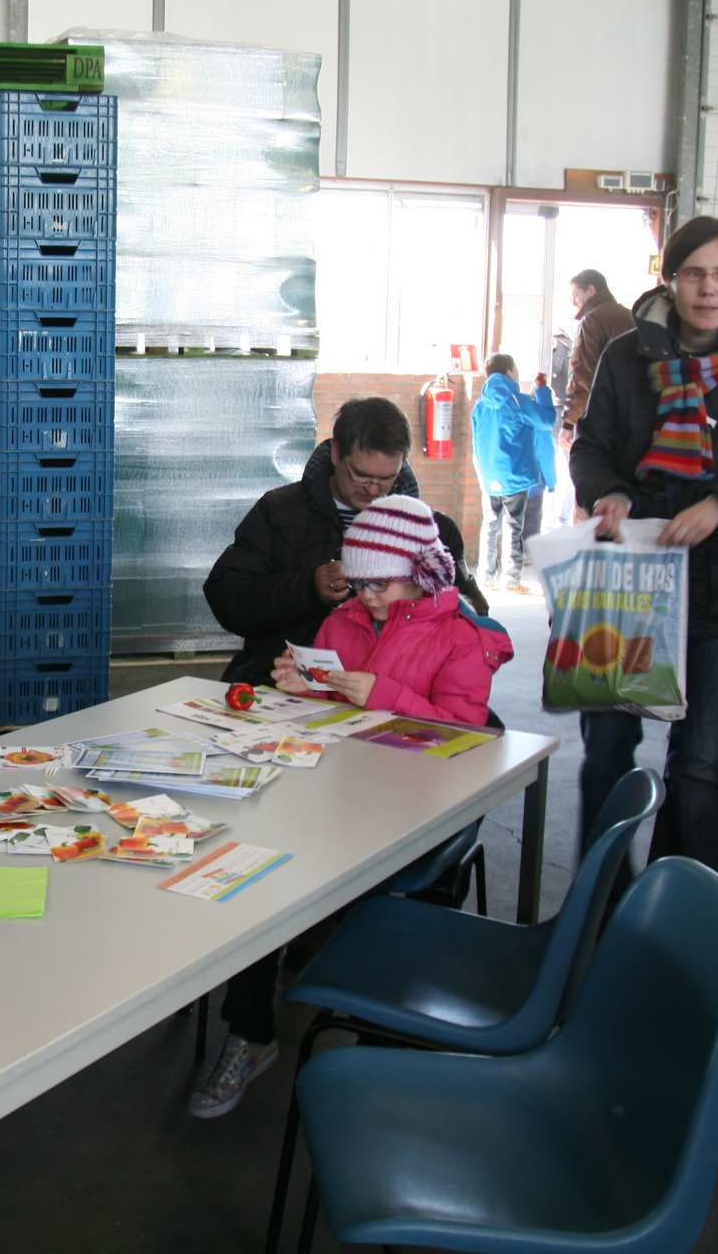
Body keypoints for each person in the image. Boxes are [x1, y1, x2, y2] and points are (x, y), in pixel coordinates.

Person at [188, 496, 507, 1119]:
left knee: (358, 899)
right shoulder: (344, 621)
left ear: (421, 571)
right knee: (256, 875)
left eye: (380, 584)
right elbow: (330, 716)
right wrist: (300, 687)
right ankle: (249, 1034)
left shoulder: (463, 637)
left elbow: (465, 736)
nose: (368, 597)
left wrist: (383, 696)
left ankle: (379, 1048)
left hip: (410, 816)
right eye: (359, 585)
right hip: (336, 798)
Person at [571, 215, 718, 872]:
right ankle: (600, 898)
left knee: (703, 762)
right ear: (670, 280)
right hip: (627, 580)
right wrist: (609, 493)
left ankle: (675, 903)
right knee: (607, 751)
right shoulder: (627, 356)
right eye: (694, 273)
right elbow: (591, 448)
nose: (709, 288)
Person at [203, 397, 480, 690]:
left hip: (399, 682)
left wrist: (415, 600)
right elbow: (226, 599)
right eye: (360, 476)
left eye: (387, 478)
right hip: (285, 673)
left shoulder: (435, 531)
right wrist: (307, 589)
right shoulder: (279, 513)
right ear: (336, 453)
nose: (372, 490)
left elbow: (473, 622)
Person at [470, 353, 556, 592]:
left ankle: (487, 577)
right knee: (514, 527)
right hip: (515, 475)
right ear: (509, 371)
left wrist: (482, 476)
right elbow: (548, 420)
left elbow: (476, 444)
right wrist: (543, 391)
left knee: (490, 526)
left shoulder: (480, 405)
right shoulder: (518, 401)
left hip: (489, 477)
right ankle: (512, 580)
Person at [559, 267, 636, 445]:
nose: (573, 302)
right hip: (633, 414)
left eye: (575, 295)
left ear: (591, 291)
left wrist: (569, 421)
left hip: (602, 416)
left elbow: (583, 375)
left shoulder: (592, 321)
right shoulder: (630, 316)